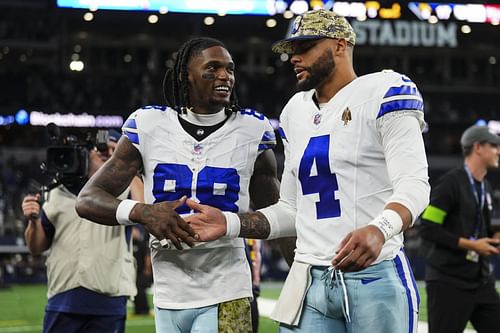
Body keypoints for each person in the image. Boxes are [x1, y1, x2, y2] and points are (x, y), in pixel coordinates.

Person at [184, 9, 430, 333]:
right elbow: (290, 210)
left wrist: (379, 228)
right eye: (291, 51)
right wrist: (229, 223)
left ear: (340, 46)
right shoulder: (294, 111)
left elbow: (414, 185)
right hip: (308, 278)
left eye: (305, 47)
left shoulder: (384, 90)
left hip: (374, 274)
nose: (294, 58)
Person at [75, 37, 281, 333]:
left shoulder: (252, 130)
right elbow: (87, 199)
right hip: (167, 296)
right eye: (212, 68)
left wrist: (232, 224)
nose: (225, 76)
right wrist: (142, 212)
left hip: (227, 292)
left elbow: (277, 213)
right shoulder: (148, 125)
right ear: (186, 74)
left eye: (230, 69)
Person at [21, 130, 141, 333]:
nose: (107, 153)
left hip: (109, 299)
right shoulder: (56, 192)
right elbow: (36, 247)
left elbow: (144, 204)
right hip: (62, 296)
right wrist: (32, 221)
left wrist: (125, 165)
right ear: (86, 154)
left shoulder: (126, 188)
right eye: (101, 149)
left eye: (115, 150)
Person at [420, 125, 500, 333]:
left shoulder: (486, 187)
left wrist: (494, 237)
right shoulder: (450, 183)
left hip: (479, 280)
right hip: (448, 281)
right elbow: (428, 227)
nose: (498, 151)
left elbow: (480, 229)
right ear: (478, 148)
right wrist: (471, 245)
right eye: (493, 145)